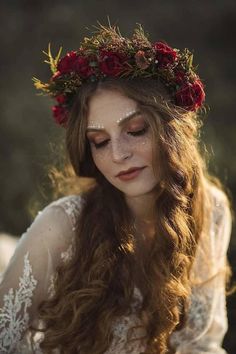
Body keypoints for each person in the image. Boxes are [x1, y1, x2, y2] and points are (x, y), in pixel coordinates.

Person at [0, 23, 233, 354]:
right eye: (100, 141)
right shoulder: (60, 226)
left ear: (171, 128)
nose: (118, 155)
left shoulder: (211, 210)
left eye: (136, 130)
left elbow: (201, 345)